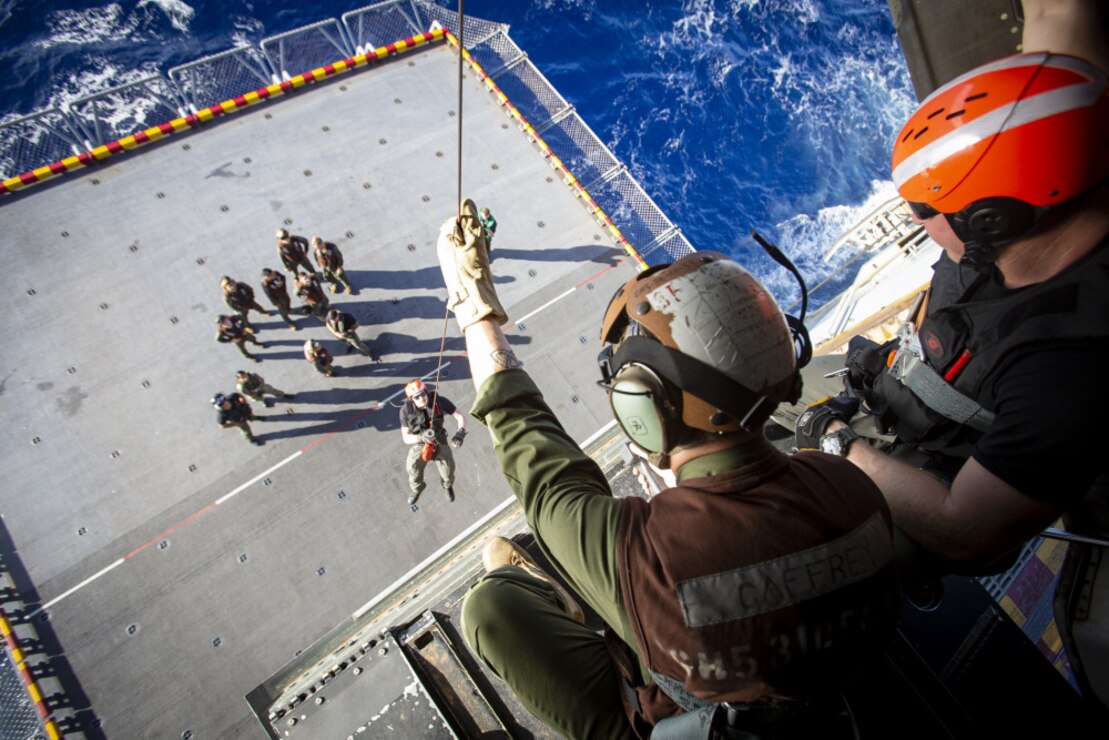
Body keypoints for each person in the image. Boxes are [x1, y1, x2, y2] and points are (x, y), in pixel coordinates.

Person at [439, 224, 900, 737]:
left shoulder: (644, 554)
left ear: (642, 410)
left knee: (490, 608)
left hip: (681, 713)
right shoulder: (853, 489)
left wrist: (472, 303)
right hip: (817, 706)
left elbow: (528, 439)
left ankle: (578, 608)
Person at [777, 22, 1109, 575]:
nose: (913, 217)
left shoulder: (1067, 372)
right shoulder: (1065, 148)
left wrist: (836, 443)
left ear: (990, 219)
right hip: (893, 391)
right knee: (757, 386)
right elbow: (1060, 32)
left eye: (926, 209)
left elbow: (966, 532)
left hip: (944, 473)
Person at [399, 379, 466, 506]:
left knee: (448, 468)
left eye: (423, 394)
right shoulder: (405, 411)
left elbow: (460, 417)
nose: (421, 399)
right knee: (412, 467)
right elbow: (406, 437)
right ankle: (417, 489)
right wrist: (421, 438)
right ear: (412, 399)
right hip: (420, 442)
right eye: (417, 397)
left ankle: (447, 485)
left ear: (426, 392)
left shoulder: (439, 401)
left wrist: (460, 433)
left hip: (439, 439)